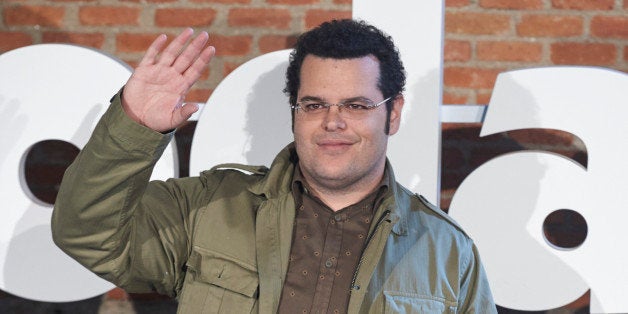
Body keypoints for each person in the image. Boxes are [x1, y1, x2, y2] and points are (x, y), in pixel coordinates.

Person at [52, 19, 496, 313]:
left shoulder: (448, 253)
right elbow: (86, 232)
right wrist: (133, 125)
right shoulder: (209, 207)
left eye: (357, 105)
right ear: (294, 112)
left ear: (392, 113)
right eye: (314, 104)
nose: (333, 122)